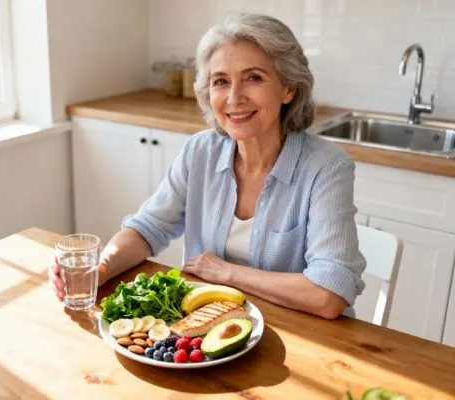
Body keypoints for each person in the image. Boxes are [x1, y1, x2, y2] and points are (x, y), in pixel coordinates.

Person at [50, 13, 366, 319]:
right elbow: (149, 227)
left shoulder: (327, 166)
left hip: (304, 339)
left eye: (253, 78)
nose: (234, 97)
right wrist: (102, 266)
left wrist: (227, 273)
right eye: (221, 81)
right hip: (207, 328)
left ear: (288, 88)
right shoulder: (200, 151)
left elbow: (328, 296)